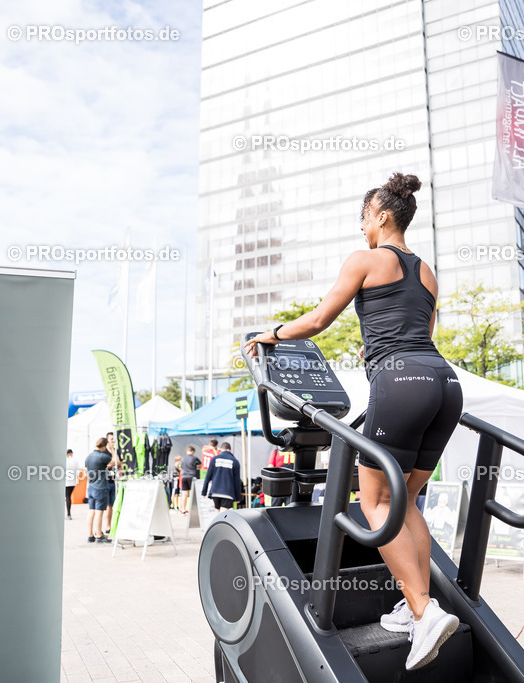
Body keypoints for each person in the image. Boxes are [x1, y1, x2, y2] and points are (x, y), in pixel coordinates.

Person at [244, 172, 462, 671]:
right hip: (444, 383)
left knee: (375, 500)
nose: (361, 226)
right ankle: (414, 608)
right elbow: (420, 329)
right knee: (405, 501)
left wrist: (270, 333)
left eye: (364, 216)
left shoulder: (365, 259)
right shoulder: (427, 272)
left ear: (382, 215)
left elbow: (319, 319)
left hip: (401, 379)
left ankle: (425, 613)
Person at [85, 438, 116, 543]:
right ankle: (99, 535)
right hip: (101, 488)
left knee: (91, 511)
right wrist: (112, 450)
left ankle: (90, 535)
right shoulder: (103, 456)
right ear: (104, 446)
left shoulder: (88, 457)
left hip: (91, 487)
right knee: (99, 512)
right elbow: (116, 461)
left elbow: (86, 472)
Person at [201, 442, 242, 511]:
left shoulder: (214, 459)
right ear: (230, 450)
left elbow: (208, 477)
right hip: (228, 492)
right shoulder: (235, 461)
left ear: (221, 449)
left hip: (215, 492)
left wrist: (204, 492)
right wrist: (238, 497)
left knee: (218, 513)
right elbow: (237, 481)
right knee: (223, 515)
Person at [103, 431, 119, 535]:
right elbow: (107, 465)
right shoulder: (104, 452)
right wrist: (113, 462)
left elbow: (118, 462)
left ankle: (111, 525)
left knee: (112, 506)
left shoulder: (115, 451)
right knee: (107, 506)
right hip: (106, 482)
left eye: (114, 439)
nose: (113, 441)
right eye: (111, 439)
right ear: (107, 440)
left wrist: (113, 451)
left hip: (114, 481)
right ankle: (107, 526)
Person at [179, 445, 200, 513]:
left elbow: (180, 467)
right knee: (193, 494)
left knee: (184, 494)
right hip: (192, 476)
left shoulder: (182, 458)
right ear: (192, 451)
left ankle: (182, 509)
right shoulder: (194, 458)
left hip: (184, 477)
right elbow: (200, 465)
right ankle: (193, 510)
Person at [65, 449, 80, 520]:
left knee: (67, 497)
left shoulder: (64, 460)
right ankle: (68, 514)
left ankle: (68, 514)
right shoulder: (75, 460)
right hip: (73, 482)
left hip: (66, 482)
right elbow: (78, 471)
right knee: (69, 496)